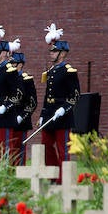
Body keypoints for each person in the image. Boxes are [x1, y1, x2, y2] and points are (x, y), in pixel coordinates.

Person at [39, 23, 79, 178]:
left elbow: (75, 95)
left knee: (63, 150)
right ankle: (53, 175)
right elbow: (47, 95)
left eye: (54, 51)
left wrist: (63, 109)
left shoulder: (69, 71)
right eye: (51, 50)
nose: (51, 53)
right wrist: (43, 113)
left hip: (63, 116)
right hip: (49, 114)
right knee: (46, 146)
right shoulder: (51, 71)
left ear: (62, 54)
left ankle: (64, 179)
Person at [8, 50, 36, 166]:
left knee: (19, 150)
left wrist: (22, 116)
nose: (11, 65)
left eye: (13, 63)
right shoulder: (9, 78)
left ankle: (20, 174)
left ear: (20, 64)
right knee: (9, 149)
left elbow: (32, 103)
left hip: (21, 120)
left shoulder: (26, 80)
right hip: (8, 117)